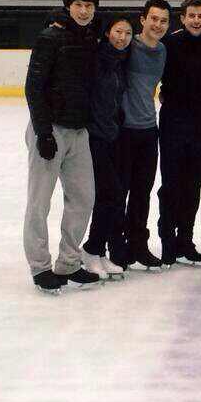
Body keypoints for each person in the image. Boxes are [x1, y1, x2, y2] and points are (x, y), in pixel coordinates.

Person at [23, 0, 101, 292]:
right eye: (78, 5)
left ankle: (69, 262)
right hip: (50, 129)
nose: (84, 11)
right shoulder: (49, 37)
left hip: (78, 131)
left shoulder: (90, 37)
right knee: (39, 201)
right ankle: (40, 266)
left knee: (83, 198)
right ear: (68, 7)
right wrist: (43, 132)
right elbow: (33, 87)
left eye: (89, 6)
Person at [157, 0, 201, 266]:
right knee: (171, 185)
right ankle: (167, 240)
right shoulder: (169, 43)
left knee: (193, 185)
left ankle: (185, 239)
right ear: (182, 18)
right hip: (172, 122)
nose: (196, 20)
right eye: (191, 16)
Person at [81, 16, 133, 280]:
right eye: (118, 31)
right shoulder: (96, 58)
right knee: (110, 194)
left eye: (127, 33)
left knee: (109, 196)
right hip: (94, 137)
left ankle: (98, 252)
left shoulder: (119, 61)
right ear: (107, 33)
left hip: (112, 136)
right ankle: (91, 249)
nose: (122, 37)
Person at [120, 0, 170, 270]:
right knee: (120, 191)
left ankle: (138, 245)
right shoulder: (127, 45)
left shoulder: (162, 50)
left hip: (149, 130)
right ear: (142, 20)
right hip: (123, 130)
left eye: (163, 21)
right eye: (154, 19)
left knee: (142, 192)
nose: (158, 25)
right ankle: (117, 246)